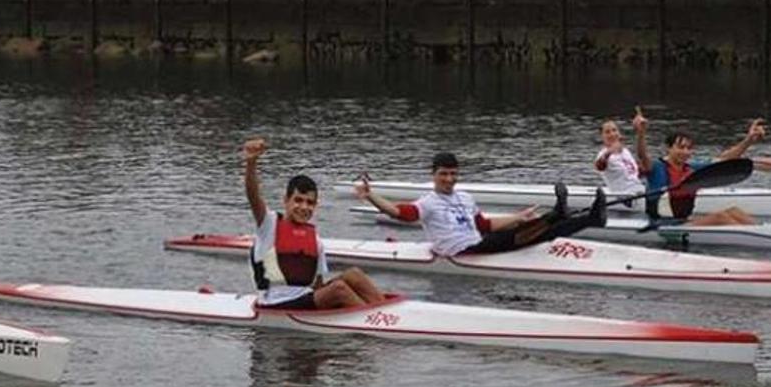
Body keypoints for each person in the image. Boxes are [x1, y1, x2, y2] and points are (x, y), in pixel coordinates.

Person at [354, 152, 608, 257]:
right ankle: (557, 214)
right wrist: (371, 196)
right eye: (443, 174)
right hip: (461, 253)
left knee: (531, 232)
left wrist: (518, 217)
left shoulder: (465, 197)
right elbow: (399, 213)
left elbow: (484, 224)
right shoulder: (428, 202)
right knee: (525, 235)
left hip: (480, 243)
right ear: (433, 174)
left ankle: (587, 218)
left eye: (453, 174)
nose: (449, 179)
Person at [242, 138, 385, 309]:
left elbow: (317, 285)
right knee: (338, 290)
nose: (304, 207)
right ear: (286, 201)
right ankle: (372, 321)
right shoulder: (269, 224)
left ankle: (387, 314)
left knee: (354, 275)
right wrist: (251, 162)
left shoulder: (315, 240)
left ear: (315, 206)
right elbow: (253, 196)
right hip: (274, 302)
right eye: (298, 200)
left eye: (310, 203)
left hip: (304, 299)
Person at [634, 110, 766, 226]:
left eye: (689, 148)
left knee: (735, 212)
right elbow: (642, 155)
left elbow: (724, 160)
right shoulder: (657, 167)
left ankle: (764, 231)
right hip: (661, 225)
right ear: (669, 148)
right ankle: (760, 239)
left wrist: (748, 140)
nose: (685, 152)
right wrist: (641, 133)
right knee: (721, 218)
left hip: (683, 222)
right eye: (681, 147)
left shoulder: (691, 168)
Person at [594, 115, 646, 197]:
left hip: (638, 190)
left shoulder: (626, 152)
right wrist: (609, 152)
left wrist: (640, 132)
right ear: (602, 137)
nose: (612, 134)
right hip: (623, 196)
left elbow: (637, 173)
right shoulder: (603, 154)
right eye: (607, 132)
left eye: (614, 130)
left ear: (619, 133)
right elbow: (599, 166)